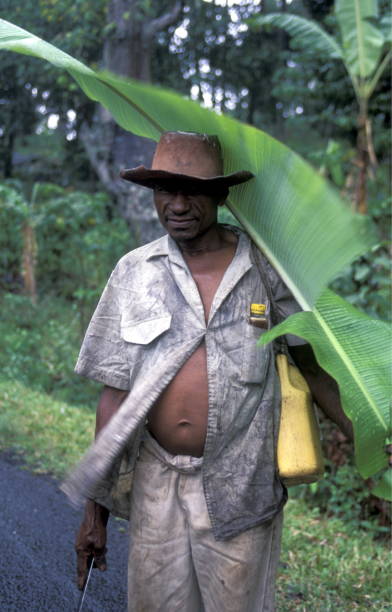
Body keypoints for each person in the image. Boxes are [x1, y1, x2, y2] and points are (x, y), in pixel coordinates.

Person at [72, 131, 352, 611]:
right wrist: (94, 513)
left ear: (222, 194)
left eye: (193, 190)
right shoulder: (134, 272)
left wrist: (364, 432)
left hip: (241, 486)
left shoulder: (266, 271)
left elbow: (315, 366)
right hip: (155, 484)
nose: (177, 205)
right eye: (165, 190)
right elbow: (114, 395)